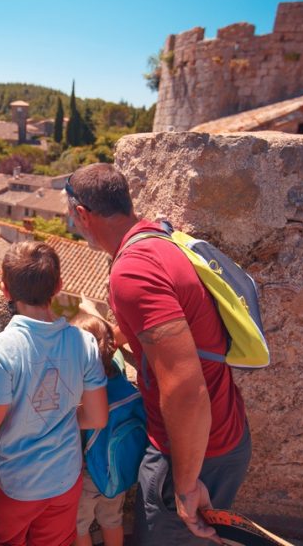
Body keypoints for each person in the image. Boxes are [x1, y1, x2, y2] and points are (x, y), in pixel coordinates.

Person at [65, 163, 252, 545]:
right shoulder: (158, 237)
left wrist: (184, 485)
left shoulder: (132, 271)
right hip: (223, 433)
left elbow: (185, 389)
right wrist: (111, 338)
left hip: (194, 453)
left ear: (82, 215)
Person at [0, 241, 108, 546]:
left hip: (17, 484)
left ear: (5, 291)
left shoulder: (3, 349)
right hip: (65, 480)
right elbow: (96, 417)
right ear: (59, 286)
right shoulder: (85, 343)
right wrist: (55, 415)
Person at [69, 313, 127, 546]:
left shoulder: (79, 386)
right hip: (115, 467)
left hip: (87, 472)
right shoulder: (118, 366)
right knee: (113, 520)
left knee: (78, 525)